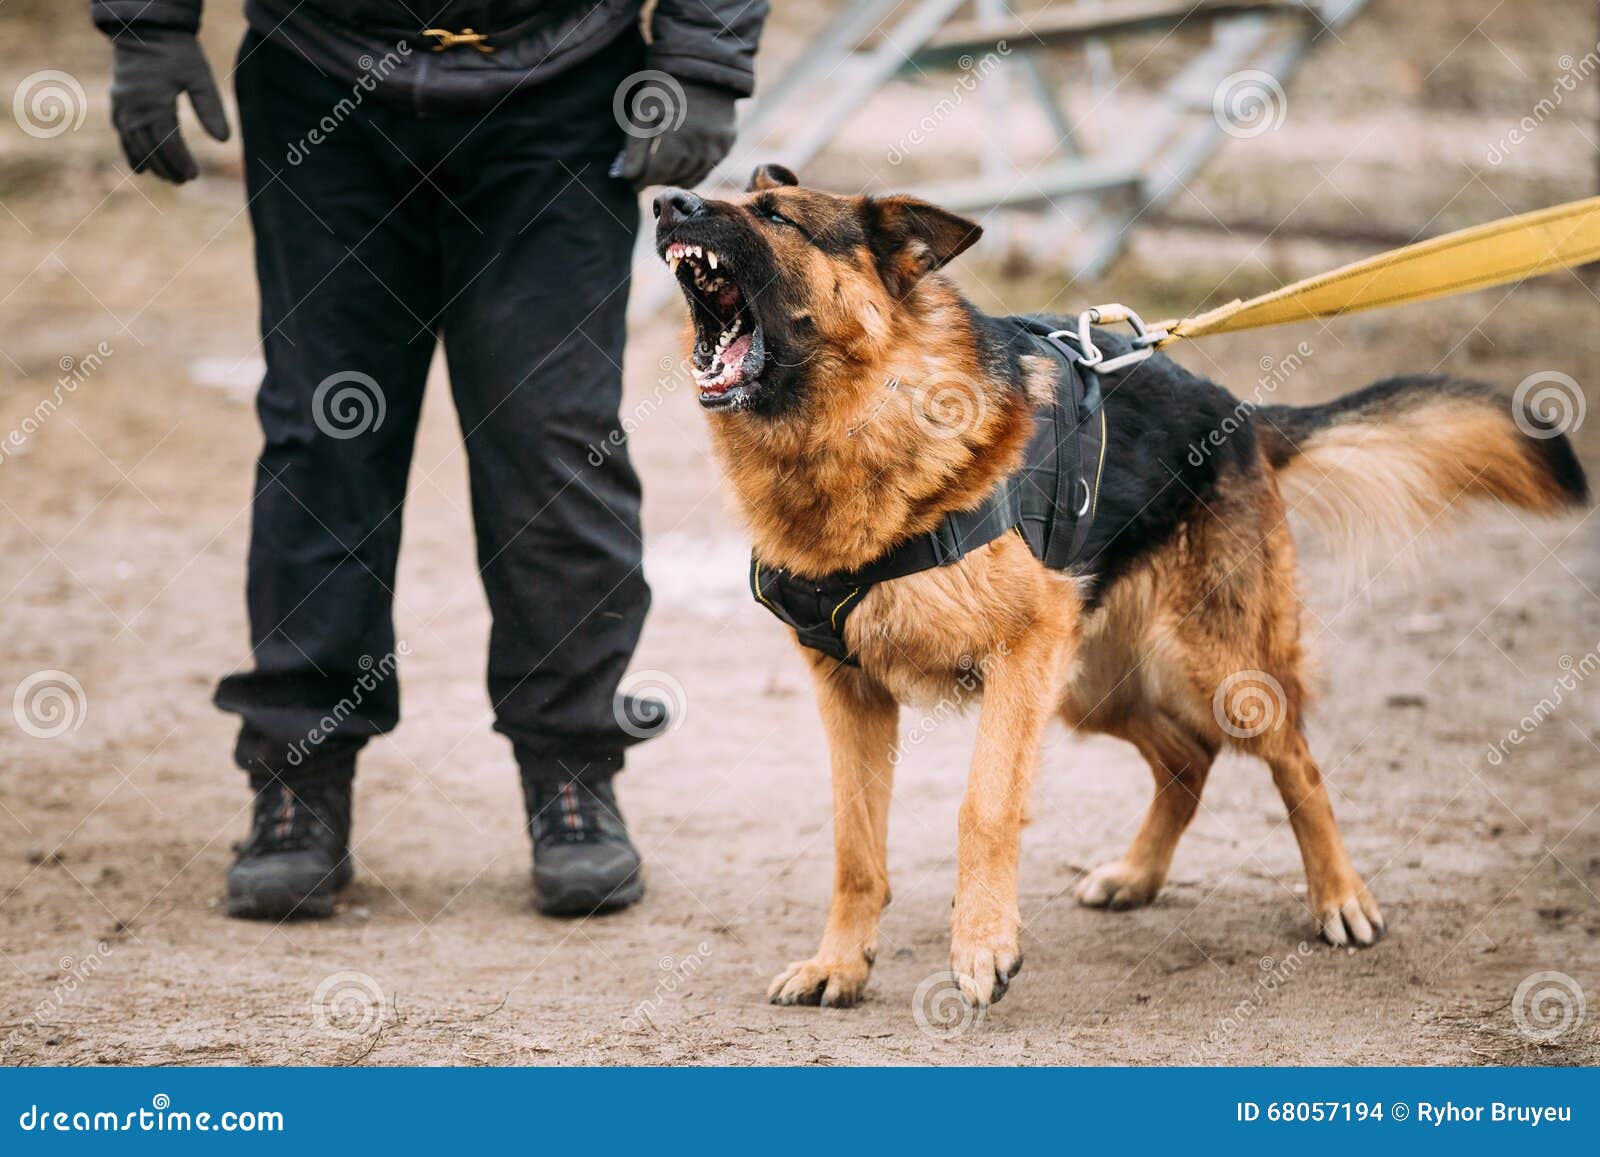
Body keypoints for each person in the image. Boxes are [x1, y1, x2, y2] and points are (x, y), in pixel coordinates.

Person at [89, 0, 769, 920]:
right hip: (320, 81)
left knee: (551, 437)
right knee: (325, 435)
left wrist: (703, 61)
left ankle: (571, 767)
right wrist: (148, 25)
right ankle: (302, 778)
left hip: (561, 94)